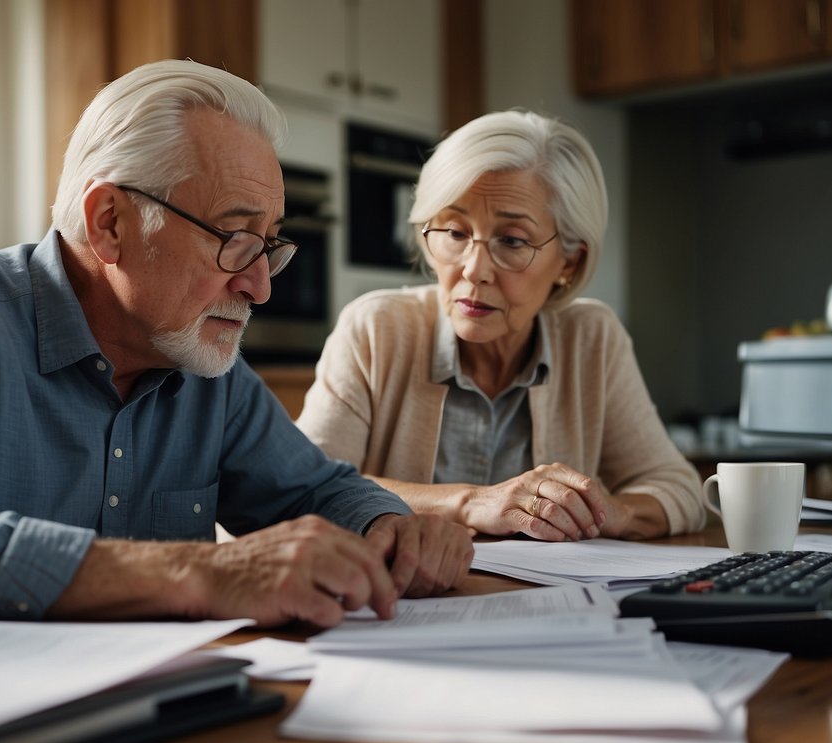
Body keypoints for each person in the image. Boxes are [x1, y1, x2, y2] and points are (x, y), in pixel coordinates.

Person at [0, 60, 474, 627]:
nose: (260, 285)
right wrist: (205, 574)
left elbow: (317, 492)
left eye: (269, 245)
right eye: (233, 238)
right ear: (109, 225)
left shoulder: (200, 360)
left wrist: (394, 526)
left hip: (66, 718)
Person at [296, 109, 705, 542]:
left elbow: (681, 489)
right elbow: (305, 487)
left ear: (570, 261)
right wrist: (470, 502)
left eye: (511, 241)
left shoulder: (592, 338)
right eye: (454, 232)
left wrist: (612, 511)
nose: (474, 270)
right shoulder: (375, 330)